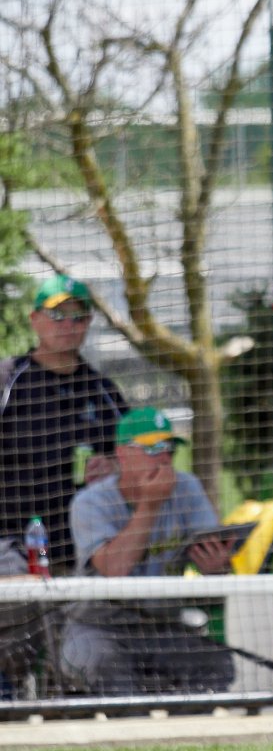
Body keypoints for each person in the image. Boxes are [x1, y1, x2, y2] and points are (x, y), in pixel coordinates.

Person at [59, 407, 236, 696]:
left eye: (169, 448)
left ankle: (185, 725)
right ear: (122, 454)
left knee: (215, 664)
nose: (165, 457)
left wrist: (216, 566)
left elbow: (213, 561)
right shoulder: (90, 502)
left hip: (161, 626)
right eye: (152, 448)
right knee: (106, 665)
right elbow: (115, 569)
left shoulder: (187, 487)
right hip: (97, 627)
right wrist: (150, 505)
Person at [0, 273, 129, 574]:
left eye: (78, 317)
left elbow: (135, 459)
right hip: (13, 548)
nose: (68, 325)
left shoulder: (102, 390)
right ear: (34, 319)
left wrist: (114, 467)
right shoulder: (8, 380)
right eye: (57, 315)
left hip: (86, 551)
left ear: (89, 322)